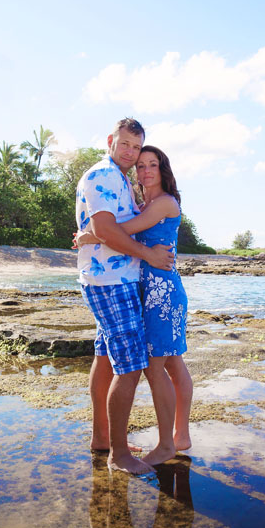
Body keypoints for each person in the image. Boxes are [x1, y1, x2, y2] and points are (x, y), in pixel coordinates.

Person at [78, 145, 193, 466]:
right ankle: (177, 437)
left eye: (152, 165)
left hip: (162, 293)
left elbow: (123, 231)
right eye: (140, 166)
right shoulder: (145, 203)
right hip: (144, 291)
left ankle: (171, 441)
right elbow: (124, 231)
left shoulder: (165, 203)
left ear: (163, 169)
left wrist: (92, 235)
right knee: (169, 363)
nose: (145, 171)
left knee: (163, 365)